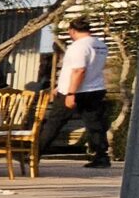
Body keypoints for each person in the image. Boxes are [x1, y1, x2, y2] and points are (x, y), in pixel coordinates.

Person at [33, 17, 113, 168]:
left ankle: (34, 154)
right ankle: (102, 156)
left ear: (72, 31)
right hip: (95, 88)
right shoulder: (100, 45)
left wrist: (70, 93)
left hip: (75, 90)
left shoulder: (78, 46)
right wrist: (59, 85)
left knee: (54, 122)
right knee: (95, 124)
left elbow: (79, 70)